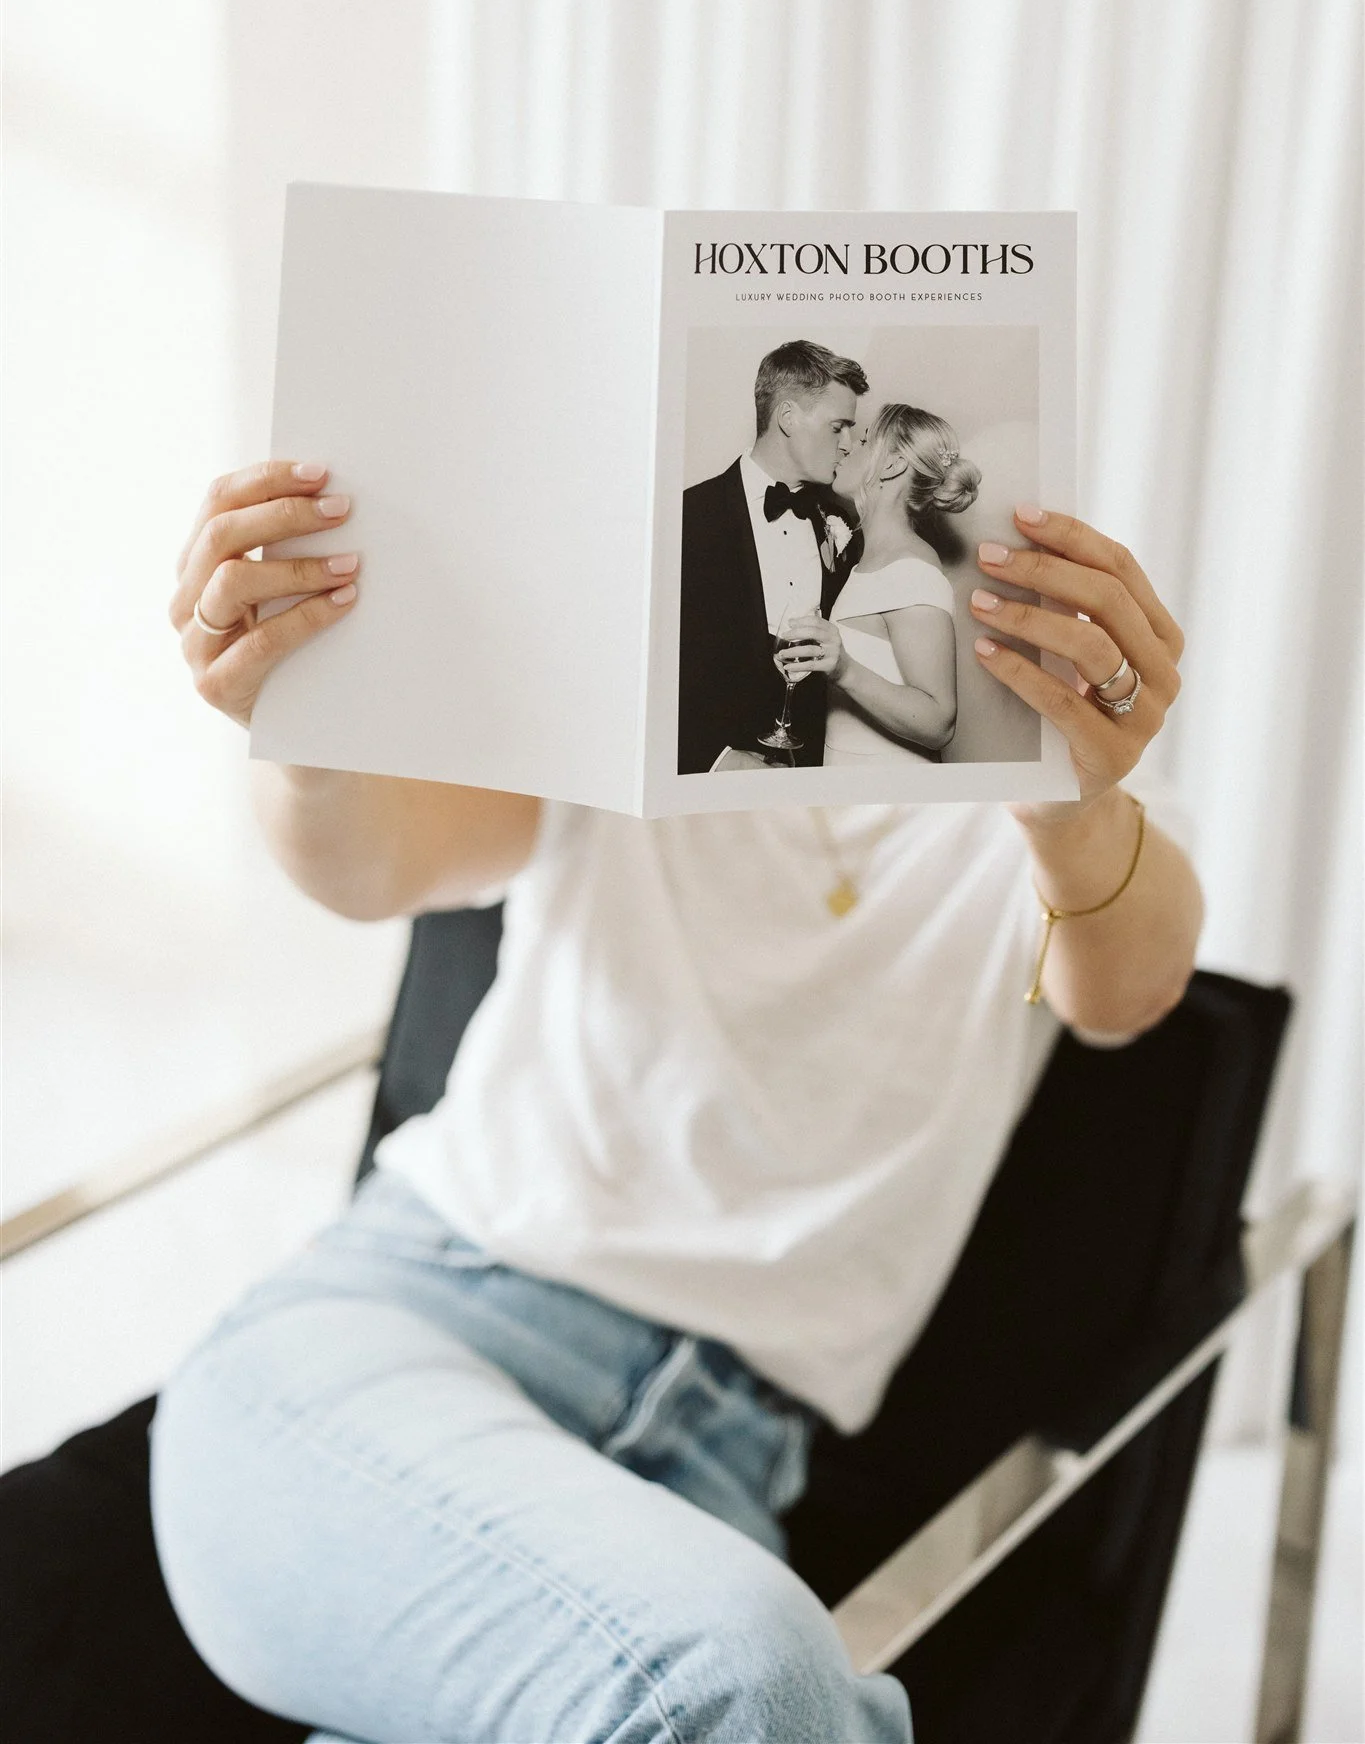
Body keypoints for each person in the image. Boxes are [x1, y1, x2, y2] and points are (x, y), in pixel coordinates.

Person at [153, 456, 1201, 1744]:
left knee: (732, 1679)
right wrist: (303, 730)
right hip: (409, 1329)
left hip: (713, 1479)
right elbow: (373, 862)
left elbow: (1132, 990)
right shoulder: (645, 695)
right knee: (753, 1685)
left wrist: (1076, 799)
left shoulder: (1040, 797)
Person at [677, 339, 868, 773]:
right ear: (787, 418)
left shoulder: (840, 523)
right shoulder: (688, 515)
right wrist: (718, 760)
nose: (848, 443)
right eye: (838, 426)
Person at [784, 403, 981, 766]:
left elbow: (940, 723)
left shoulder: (912, 571)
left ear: (892, 465)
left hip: (891, 791)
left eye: (863, 441)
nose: (846, 447)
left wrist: (845, 669)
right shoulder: (870, 562)